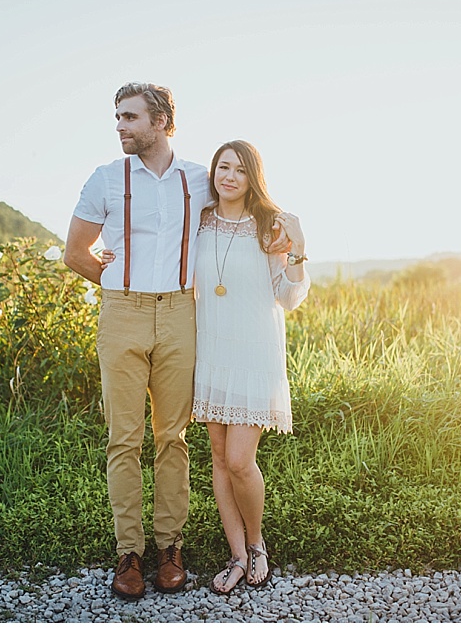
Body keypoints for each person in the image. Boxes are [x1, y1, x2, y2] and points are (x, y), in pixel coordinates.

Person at [105, 140, 309, 594]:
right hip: (211, 353)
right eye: (222, 167)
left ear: (252, 176)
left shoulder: (269, 226)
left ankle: (257, 546)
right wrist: (112, 256)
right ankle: (236, 556)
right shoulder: (200, 221)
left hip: (253, 355)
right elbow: (156, 242)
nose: (228, 176)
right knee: (218, 459)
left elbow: (289, 296)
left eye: (238, 169)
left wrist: (298, 249)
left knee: (240, 459)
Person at [63, 82, 209, 601]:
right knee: (123, 439)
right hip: (122, 313)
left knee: (173, 437)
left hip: (179, 312)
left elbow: (251, 209)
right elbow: (75, 252)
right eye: (117, 117)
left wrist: (287, 232)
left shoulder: (202, 179)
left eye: (129, 117)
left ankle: (170, 547)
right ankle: (130, 553)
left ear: (161, 121)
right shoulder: (105, 178)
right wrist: (115, 287)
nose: (120, 126)